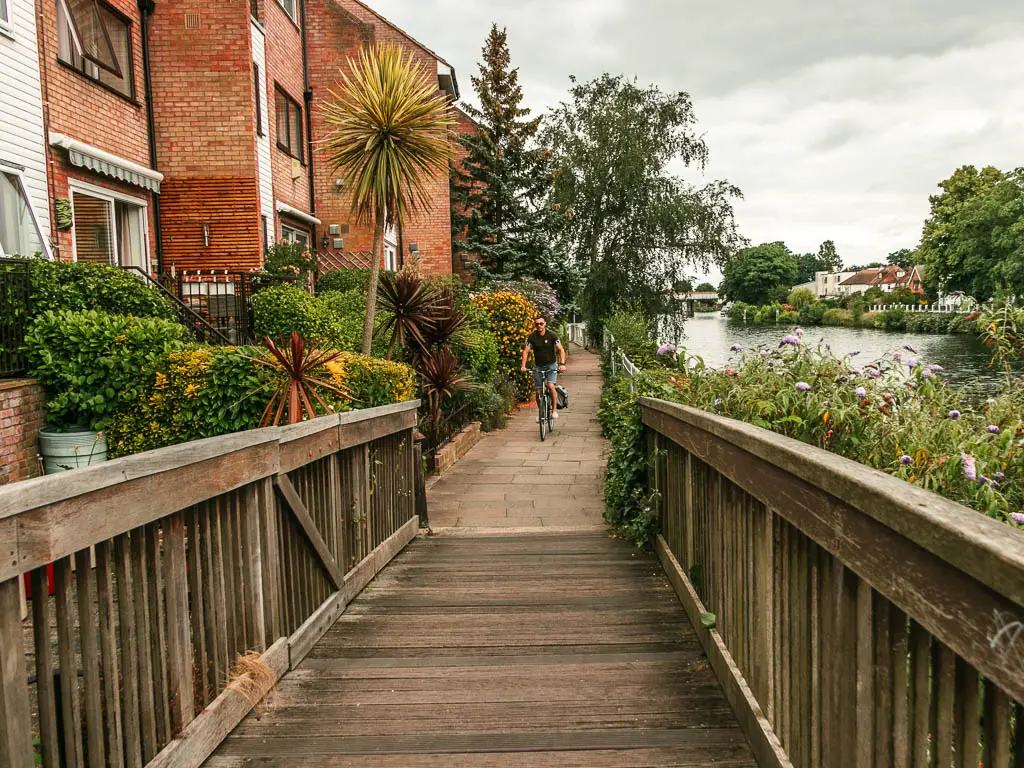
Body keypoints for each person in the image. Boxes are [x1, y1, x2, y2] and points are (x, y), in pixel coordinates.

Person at [521, 315, 566, 421]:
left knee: (550, 386)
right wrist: (523, 366)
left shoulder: (552, 336)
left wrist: (562, 364)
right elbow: (526, 351)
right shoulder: (532, 337)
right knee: (538, 392)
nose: (539, 326)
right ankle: (541, 412)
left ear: (545, 324)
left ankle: (554, 410)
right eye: (537, 324)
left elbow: (561, 349)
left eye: (541, 323)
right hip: (538, 366)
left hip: (551, 365)